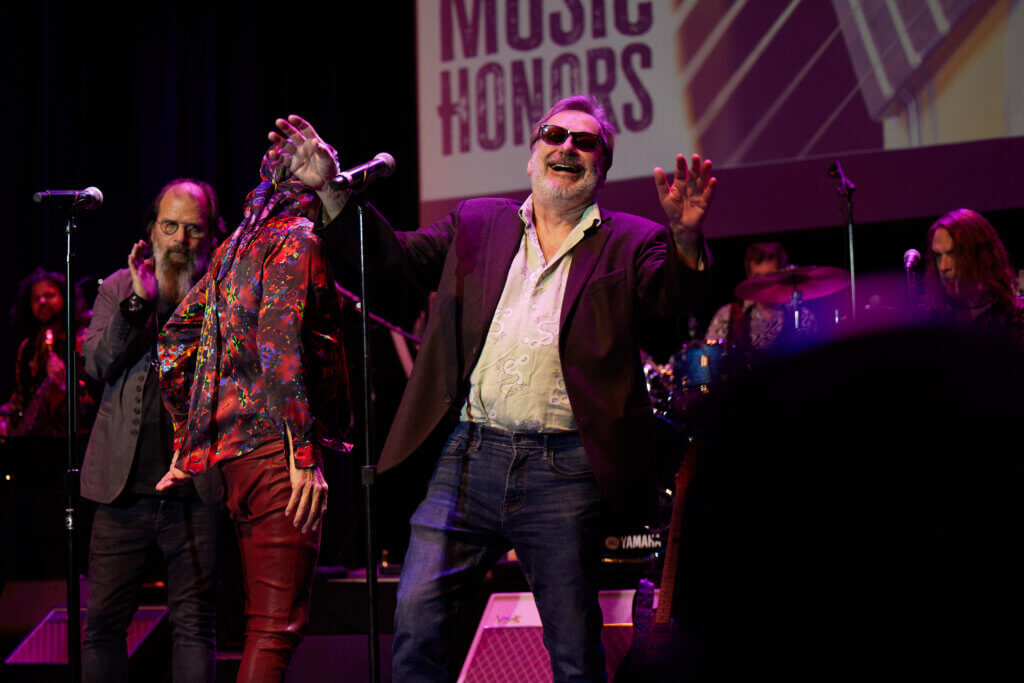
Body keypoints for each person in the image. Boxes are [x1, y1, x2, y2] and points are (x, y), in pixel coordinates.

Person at [264, 94, 717, 680]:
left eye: (585, 142)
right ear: (532, 156)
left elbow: (672, 299)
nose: (567, 147)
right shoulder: (479, 221)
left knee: (574, 651)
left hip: (565, 469)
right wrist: (331, 191)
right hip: (469, 456)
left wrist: (685, 239)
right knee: (417, 621)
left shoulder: (632, 240)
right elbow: (393, 260)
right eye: (554, 135)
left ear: (601, 169)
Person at [156, 151, 351, 682]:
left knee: (262, 623)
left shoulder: (235, 248)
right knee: (274, 628)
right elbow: (279, 344)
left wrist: (190, 439)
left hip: (238, 461)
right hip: (277, 456)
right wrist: (303, 455)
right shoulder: (297, 238)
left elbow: (174, 341)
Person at [80, 179, 225, 683]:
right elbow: (97, 364)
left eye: (194, 229)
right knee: (102, 627)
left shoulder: (223, 292)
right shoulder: (119, 287)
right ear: (151, 230)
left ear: (211, 237)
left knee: (195, 627)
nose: (180, 239)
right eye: (170, 226)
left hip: (196, 493)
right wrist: (138, 302)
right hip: (121, 495)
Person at [1, 268, 92, 437]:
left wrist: (64, 384)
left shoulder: (84, 340)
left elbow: (95, 400)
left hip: (77, 438)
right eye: (36, 298)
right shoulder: (28, 347)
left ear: (65, 297)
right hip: (35, 440)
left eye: (49, 295)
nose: (42, 301)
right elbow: (21, 398)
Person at [923, 208, 1024, 345]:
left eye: (953, 254)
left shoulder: (1015, 318)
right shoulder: (931, 319)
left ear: (980, 257)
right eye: (938, 256)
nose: (943, 267)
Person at [705, 241, 816, 352]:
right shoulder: (726, 316)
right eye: (758, 277)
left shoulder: (802, 317)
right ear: (748, 277)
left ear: (782, 276)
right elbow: (710, 356)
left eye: (771, 276)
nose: (764, 283)